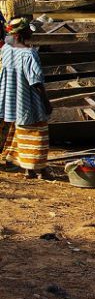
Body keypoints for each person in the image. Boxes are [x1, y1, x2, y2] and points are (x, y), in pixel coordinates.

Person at [0, 17, 52, 179]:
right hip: (29, 102)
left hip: (12, 101)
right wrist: (46, 102)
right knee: (38, 134)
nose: (31, 32)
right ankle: (41, 170)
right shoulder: (29, 54)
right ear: (20, 34)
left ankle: (29, 170)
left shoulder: (6, 49)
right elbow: (36, 82)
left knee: (20, 132)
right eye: (28, 30)